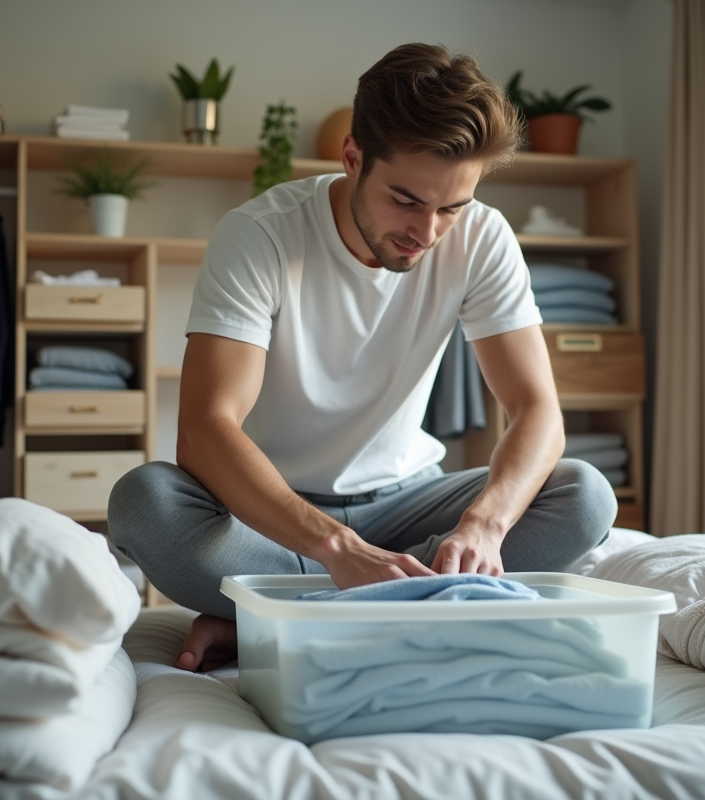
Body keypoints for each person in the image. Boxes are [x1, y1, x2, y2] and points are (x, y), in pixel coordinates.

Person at [108, 42, 618, 672]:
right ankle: (410, 601)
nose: (426, 233)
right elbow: (206, 430)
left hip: (409, 503)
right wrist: (335, 548)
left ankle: (276, 614)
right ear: (353, 157)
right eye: (406, 200)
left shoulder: (484, 237)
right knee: (145, 502)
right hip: (277, 514)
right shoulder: (259, 236)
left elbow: (537, 408)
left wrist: (484, 524)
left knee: (583, 493)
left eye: (451, 208)